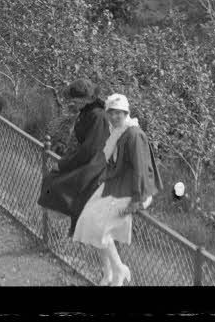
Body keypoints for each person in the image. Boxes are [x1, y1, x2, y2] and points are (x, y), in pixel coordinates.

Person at [72, 93, 162, 286]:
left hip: (135, 191)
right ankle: (113, 272)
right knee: (88, 220)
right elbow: (114, 164)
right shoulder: (118, 132)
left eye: (118, 113)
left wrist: (136, 201)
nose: (114, 117)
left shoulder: (134, 135)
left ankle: (118, 272)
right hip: (119, 185)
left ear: (126, 112)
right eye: (111, 113)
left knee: (99, 226)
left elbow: (140, 170)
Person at [38, 79, 109, 234]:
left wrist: (64, 164)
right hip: (88, 159)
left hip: (96, 164)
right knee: (51, 178)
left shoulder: (98, 116)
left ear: (86, 99)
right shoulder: (86, 112)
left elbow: (90, 150)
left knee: (60, 183)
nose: (73, 104)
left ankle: (74, 228)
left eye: (76, 101)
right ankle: (60, 228)